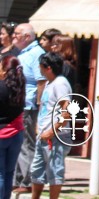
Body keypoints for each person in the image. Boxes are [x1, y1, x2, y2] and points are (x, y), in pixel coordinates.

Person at [30, 52, 72, 199]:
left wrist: (52, 131)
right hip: (43, 134)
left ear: (47, 68)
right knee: (37, 171)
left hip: (56, 137)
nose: (39, 69)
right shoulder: (50, 83)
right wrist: (38, 127)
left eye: (40, 66)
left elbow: (67, 112)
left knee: (55, 172)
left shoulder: (60, 83)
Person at [12, 23, 46, 194]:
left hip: (29, 106)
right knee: (18, 143)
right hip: (19, 104)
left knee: (26, 144)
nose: (13, 36)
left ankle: (27, 181)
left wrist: (39, 106)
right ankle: (18, 179)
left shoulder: (36, 54)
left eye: (16, 34)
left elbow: (41, 81)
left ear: (27, 37)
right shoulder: (24, 53)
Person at [0, 56, 25, 199]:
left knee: (0, 174)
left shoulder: (1, 87)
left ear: (4, 68)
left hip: (1, 134)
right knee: (9, 172)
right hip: (16, 134)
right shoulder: (20, 86)